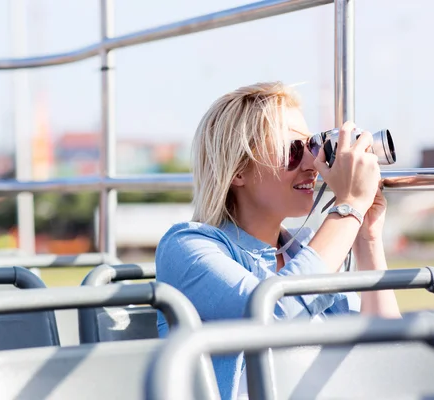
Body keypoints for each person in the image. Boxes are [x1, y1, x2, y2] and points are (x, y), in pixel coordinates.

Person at [155, 81, 400, 400]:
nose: (312, 165)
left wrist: (365, 235)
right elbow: (274, 318)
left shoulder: (310, 250)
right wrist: (349, 205)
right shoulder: (185, 247)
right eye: (293, 150)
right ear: (238, 171)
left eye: (312, 147)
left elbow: (391, 356)